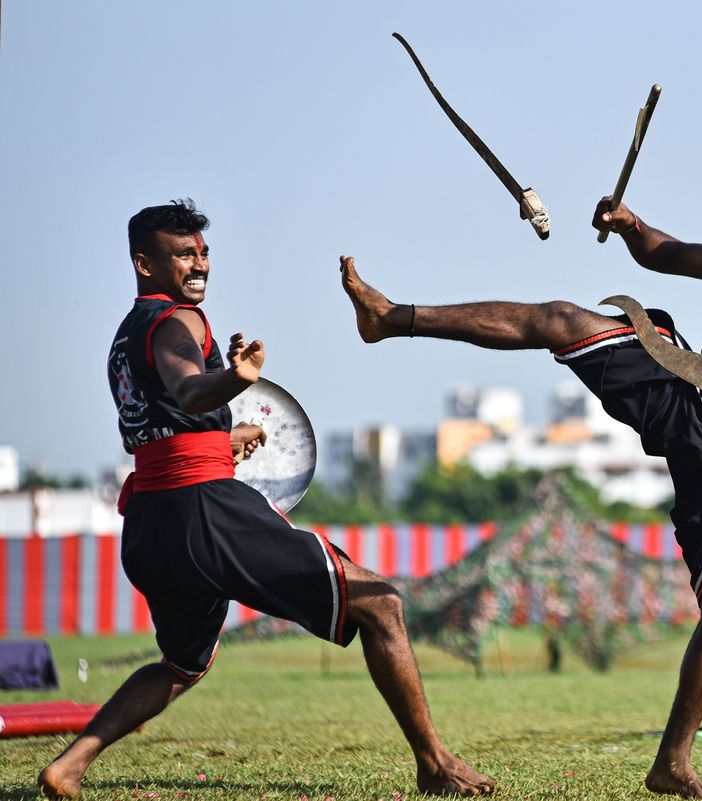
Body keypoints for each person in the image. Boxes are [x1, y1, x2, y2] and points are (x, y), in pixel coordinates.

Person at [340, 149, 702, 798]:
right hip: (682, 386)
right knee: (560, 319)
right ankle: (391, 317)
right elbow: (669, 254)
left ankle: (672, 763)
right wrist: (630, 226)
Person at [38, 201, 493, 800]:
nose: (198, 263)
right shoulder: (179, 320)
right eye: (183, 253)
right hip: (204, 511)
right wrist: (235, 380)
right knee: (381, 605)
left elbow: (162, 425)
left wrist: (227, 438)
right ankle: (435, 764)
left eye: (202, 251)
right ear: (144, 263)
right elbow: (187, 386)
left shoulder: (125, 337)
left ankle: (68, 766)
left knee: (181, 664)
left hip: (150, 522)